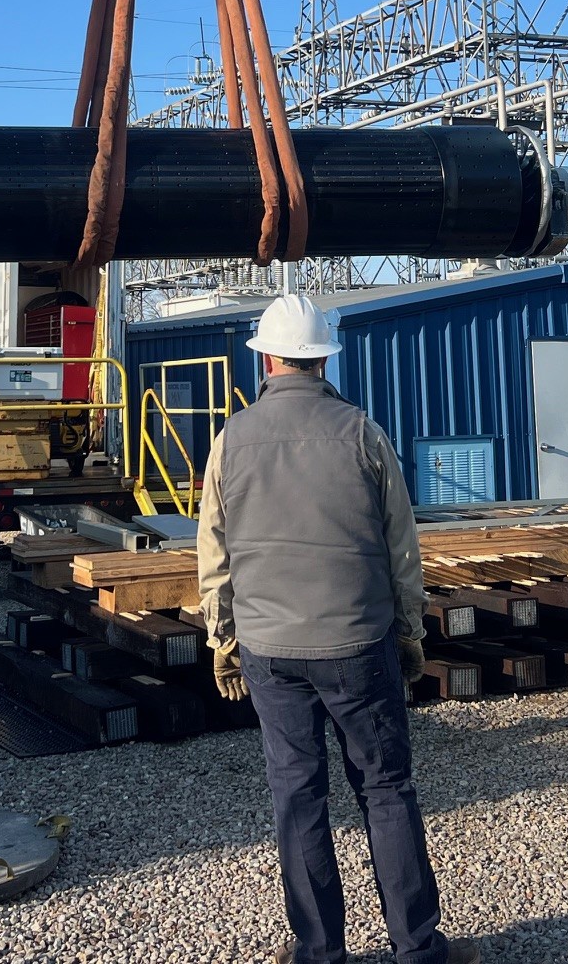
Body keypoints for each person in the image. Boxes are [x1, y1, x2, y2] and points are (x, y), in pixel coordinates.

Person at [196, 292, 475, 964]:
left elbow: (214, 554)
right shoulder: (363, 434)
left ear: (265, 356)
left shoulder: (230, 441)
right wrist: (409, 630)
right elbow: (401, 547)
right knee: (385, 789)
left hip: (269, 650)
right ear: (323, 358)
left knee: (297, 795)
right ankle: (417, 949)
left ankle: (318, 954)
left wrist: (222, 639)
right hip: (358, 642)